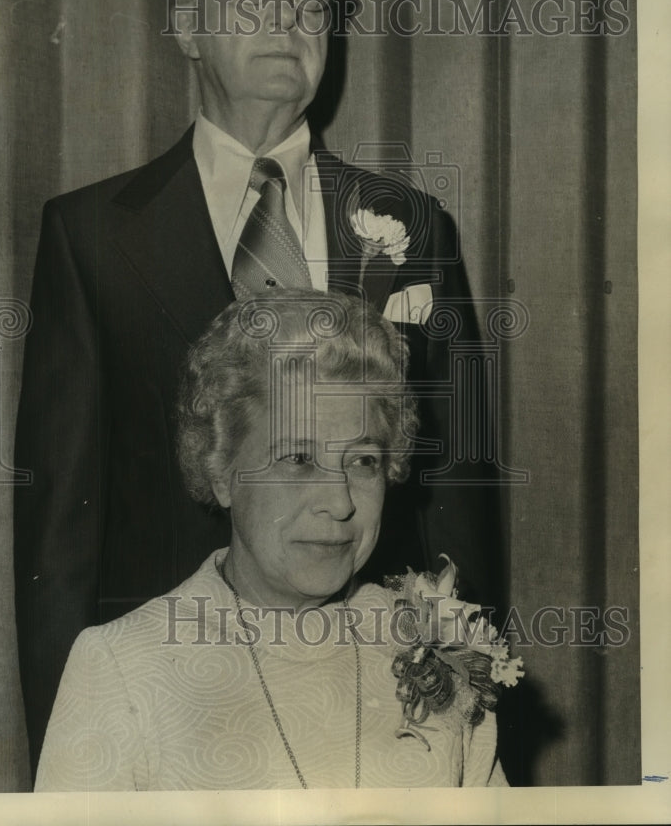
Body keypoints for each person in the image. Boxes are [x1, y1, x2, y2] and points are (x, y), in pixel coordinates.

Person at [14, 0, 499, 779]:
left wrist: (456, 689)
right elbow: (58, 529)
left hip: (377, 702)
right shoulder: (89, 235)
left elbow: (456, 491)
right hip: (178, 707)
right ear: (186, 26)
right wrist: (77, 756)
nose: (288, 13)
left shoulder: (410, 224)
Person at [35, 292, 510, 790]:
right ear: (222, 470)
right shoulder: (122, 668)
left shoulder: (440, 647)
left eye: (363, 461)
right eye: (298, 459)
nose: (340, 502)